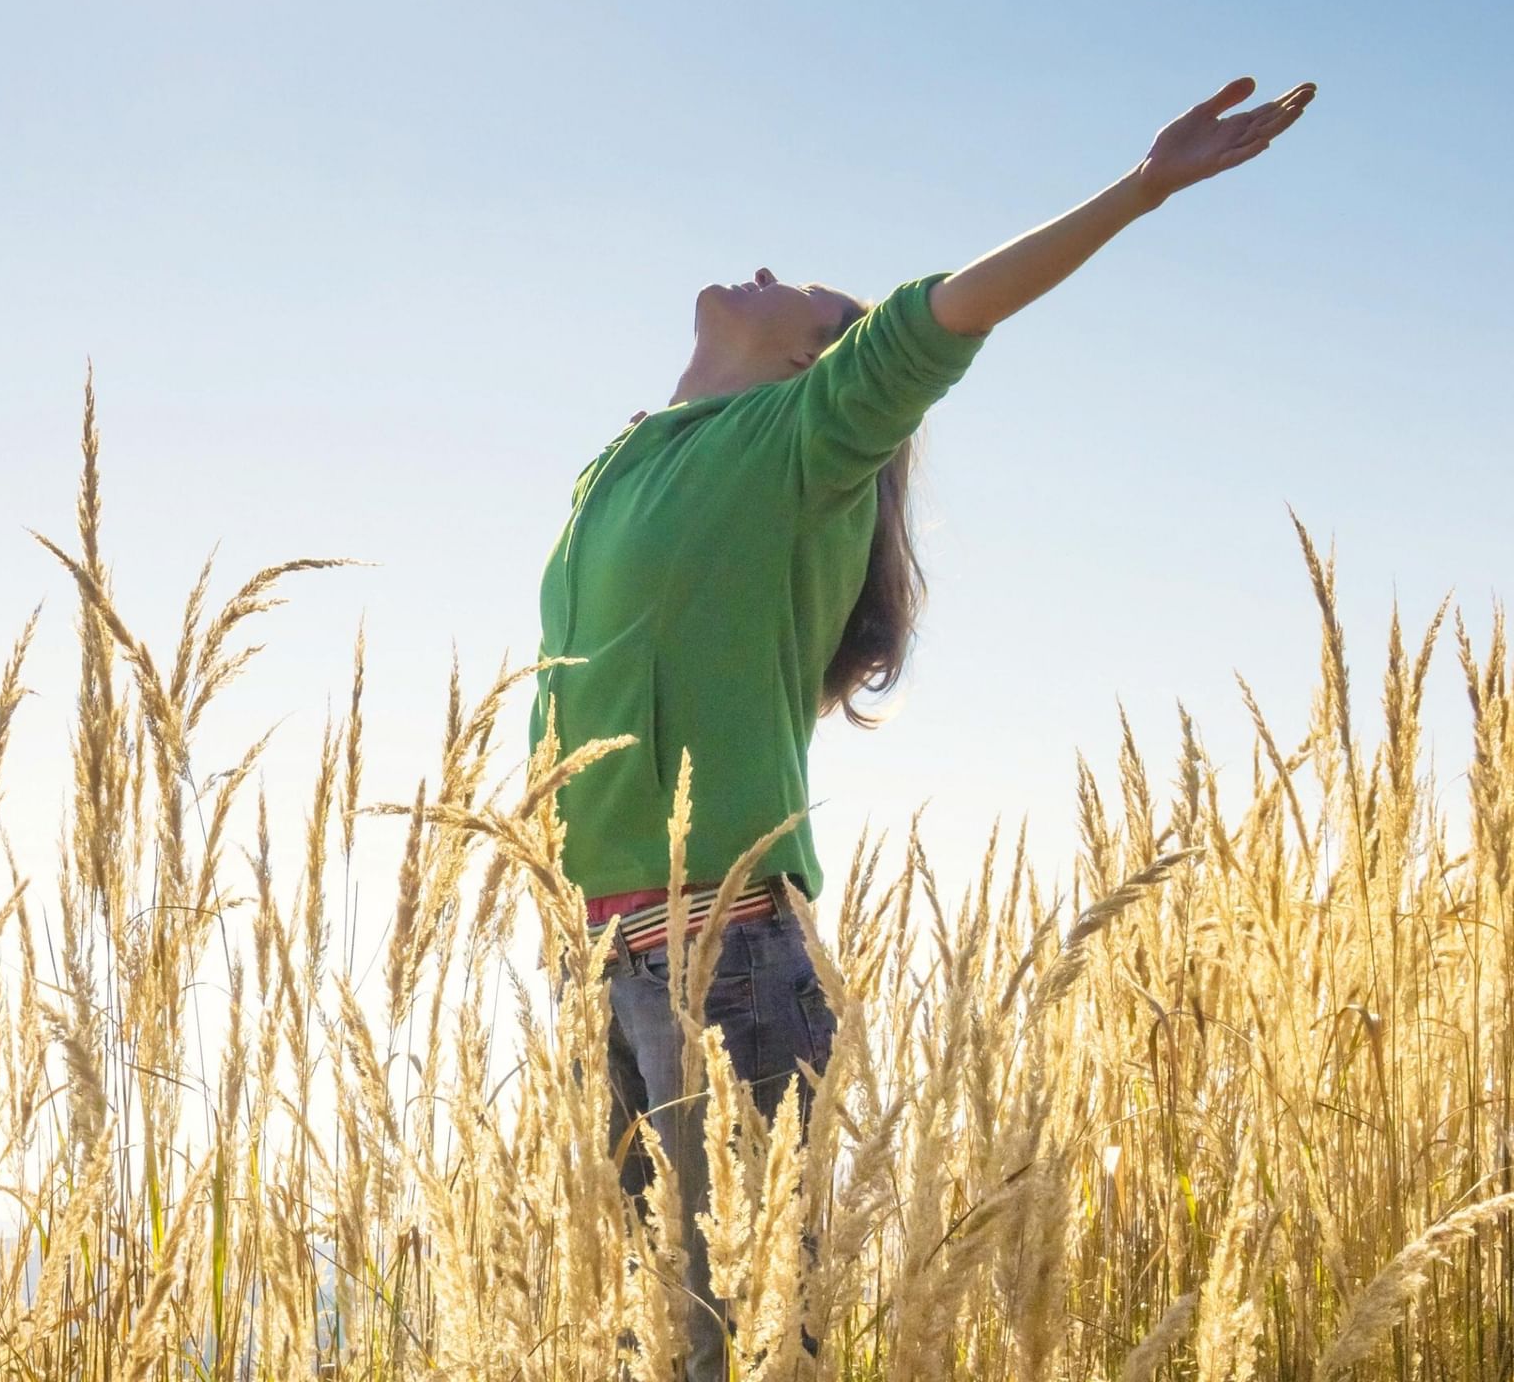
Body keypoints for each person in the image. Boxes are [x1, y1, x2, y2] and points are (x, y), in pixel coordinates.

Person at [529, 75, 1317, 1379]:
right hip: (594, 970)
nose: (773, 268)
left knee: (752, 1351)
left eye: (817, 295)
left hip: (722, 971)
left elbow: (945, 316)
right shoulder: (615, 467)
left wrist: (1142, 186)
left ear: (817, 357)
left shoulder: (801, 441)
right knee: (644, 1356)